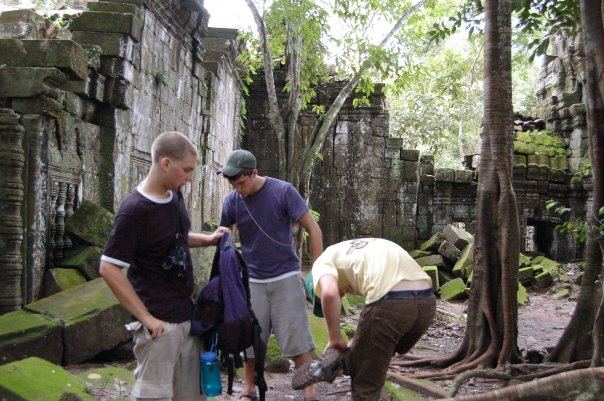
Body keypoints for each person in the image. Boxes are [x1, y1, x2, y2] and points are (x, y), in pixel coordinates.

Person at [99, 131, 229, 401]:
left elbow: (174, 239)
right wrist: (147, 319)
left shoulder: (175, 196)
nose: (190, 177)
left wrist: (207, 240)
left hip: (187, 318)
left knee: (192, 396)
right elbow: (108, 267)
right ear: (166, 163)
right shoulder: (134, 211)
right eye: (187, 170)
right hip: (158, 327)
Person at [218, 149, 323, 401]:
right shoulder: (232, 201)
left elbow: (313, 228)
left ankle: (309, 392)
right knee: (251, 340)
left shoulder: (283, 191)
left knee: (297, 338)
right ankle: (248, 389)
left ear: (254, 173)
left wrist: (319, 271)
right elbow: (223, 235)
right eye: (234, 185)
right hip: (252, 279)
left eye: (241, 183)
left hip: (286, 275)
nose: (238, 189)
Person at [300, 238, 435, 401]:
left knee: (364, 384)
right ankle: (339, 364)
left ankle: (336, 365)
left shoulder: (321, 263)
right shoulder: (352, 251)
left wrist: (335, 338)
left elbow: (329, 294)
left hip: (392, 300)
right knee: (373, 357)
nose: (341, 296)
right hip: (426, 302)